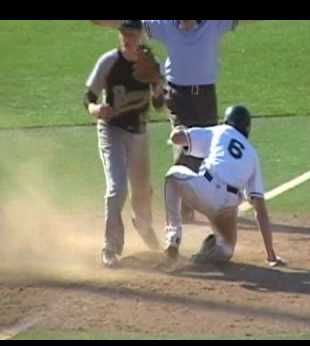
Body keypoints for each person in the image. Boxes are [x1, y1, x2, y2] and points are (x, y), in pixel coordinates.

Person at [91, 20, 258, 223]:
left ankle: (190, 204)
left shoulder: (214, 23)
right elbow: (132, 23)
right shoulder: (165, 25)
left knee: (204, 151)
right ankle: (176, 206)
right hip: (178, 96)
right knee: (184, 147)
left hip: (206, 96)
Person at [163, 105, 285, 267]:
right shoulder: (252, 154)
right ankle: (215, 249)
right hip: (226, 209)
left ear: (227, 121)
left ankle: (173, 238)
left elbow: (176, 139)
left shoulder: (221, 130)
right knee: (226, 250)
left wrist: (178, 129)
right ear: (247, 128)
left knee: (172, 176)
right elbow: (260, 210)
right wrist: (271, 256)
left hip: (205, 189)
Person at [84, 20, 162, 268]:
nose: (126, 38)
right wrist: (96, 109)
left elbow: (159, 105)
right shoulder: (109, 61)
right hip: (112, 130)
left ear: (140, 35)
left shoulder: (151, 64)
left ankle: (143, 224)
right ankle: (111, 247)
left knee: (143, 191)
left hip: (138, 133)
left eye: (131, 33)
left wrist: (159, 89)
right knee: (117, 189)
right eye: (123, 33)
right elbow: (88, 97)